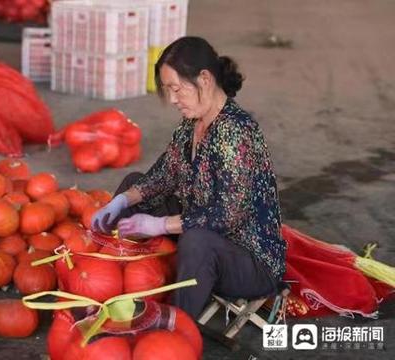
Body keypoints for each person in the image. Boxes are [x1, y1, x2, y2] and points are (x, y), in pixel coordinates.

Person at [91, 36, 286, 319]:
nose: (172, 99)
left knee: (197, 240)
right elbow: (166, 172)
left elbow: (226, 215)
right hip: (200, 228)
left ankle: (177, 327)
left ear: (204, 79)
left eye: (176, 88)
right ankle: (110, 276)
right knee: (135, 182)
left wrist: (160, 224)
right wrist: (122, 199)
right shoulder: (193, 122)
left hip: (247, 258)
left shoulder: (237, 131)